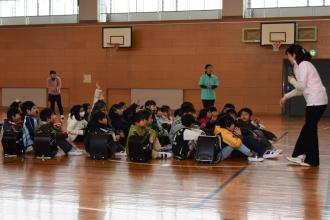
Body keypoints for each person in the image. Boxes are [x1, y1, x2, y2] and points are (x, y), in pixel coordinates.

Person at [280, 44, 328, 167]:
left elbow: (301, 86)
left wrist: (292, 81)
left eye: (289, 56)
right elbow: (300, 90)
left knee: (310, 130)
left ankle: (311, 160)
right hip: (314, 101)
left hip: (316, 101)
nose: (289, 58)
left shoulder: (304, 65)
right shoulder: (298, 67)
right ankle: (300, 155)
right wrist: (286, 96)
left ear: (294, 55)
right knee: (308, 129)